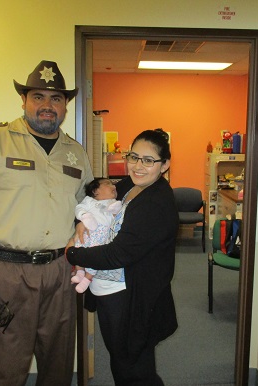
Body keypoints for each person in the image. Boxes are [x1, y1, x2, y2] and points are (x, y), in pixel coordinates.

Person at [0, 60, 93, 386]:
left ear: (65, 106)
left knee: (58, 365)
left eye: (56, 98)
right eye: (38, 96)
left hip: (61, 271)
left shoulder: (76, 153)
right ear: (24, 101)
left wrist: (80, 248)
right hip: (7, 272)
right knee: (2, 366)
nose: (47, 106)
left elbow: (86, 209)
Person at [67, 129, 179, 386]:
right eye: (133, 157)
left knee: (134, 368)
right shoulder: (131, 185)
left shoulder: (157, 203)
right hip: (113, 290)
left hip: (134, 297)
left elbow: (118, 253)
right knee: (123, 358)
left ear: (165, 165)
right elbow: (96, 201)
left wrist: (72, 253)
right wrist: (81, 223)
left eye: (149, 160)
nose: (138, 166)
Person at [71, 178, 123, 293]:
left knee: (95, 256)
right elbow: (79, 208)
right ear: (95, 191)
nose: (113, 186)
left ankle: (87, 279)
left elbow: (117, 219)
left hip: (102, 235)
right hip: (88, 231)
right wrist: (83, 216)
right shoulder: (89, 201)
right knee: (80, 247)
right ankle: (79, 272)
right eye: (108, 184)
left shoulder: (114, 203)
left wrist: (115, 210)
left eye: (113, 184)